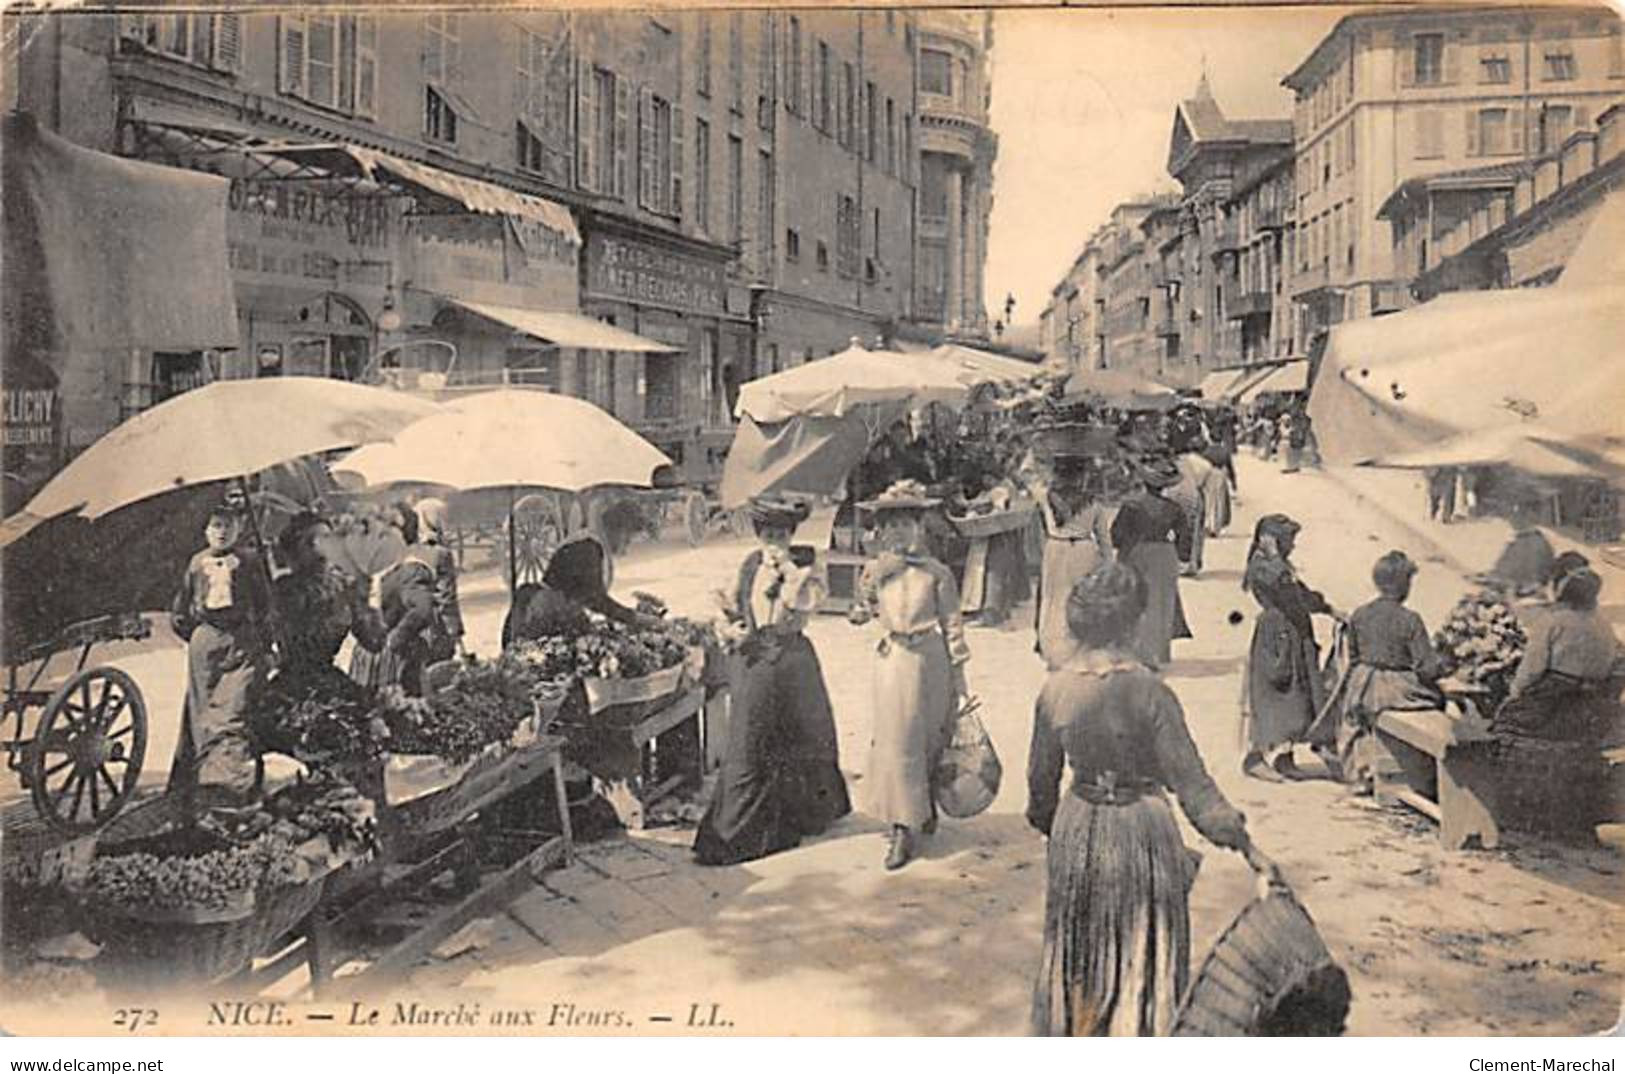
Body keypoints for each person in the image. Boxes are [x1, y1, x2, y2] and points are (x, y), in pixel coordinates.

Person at [1028, 562, 1280, 1037]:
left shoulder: (1054, 690)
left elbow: (1040, 791)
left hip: (1077, 823)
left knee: (1079, 948)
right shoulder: (1150, 692)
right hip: (1142, 828)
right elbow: (1194, 787)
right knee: (1143, 945)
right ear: (1132, 622)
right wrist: (1248, 848)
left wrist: (1064, 832)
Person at [694, 499, 852, 866]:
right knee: (749, 738)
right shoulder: (750, 564)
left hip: (793, 659)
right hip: (754, 658)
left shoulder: (807, 565)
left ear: (791, 535)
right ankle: (737, 830)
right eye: (768, 535)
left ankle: (811, 813)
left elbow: (801, 609)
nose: (774, 542)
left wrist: (790, 574)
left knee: (807, 734)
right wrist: (728, 624)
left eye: (781, 534)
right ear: (759, 535)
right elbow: (731, 604)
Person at [850, 481, 972, 870]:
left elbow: (952, 623)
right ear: (880, 531)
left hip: (930, 661)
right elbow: (861, 611)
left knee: (930, 735)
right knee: (897, 740)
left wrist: (960, 674)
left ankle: (925, 805)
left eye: (907, 523)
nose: (899, 532)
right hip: (893, 661)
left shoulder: (936, 573)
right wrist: (864, 602)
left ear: (921, 526)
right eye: (892, 525)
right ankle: (903, 827)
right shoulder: (876, 571)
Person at [168, 504, 272, 811]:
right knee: (201, 713)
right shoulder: (196, 563)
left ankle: (231, 787)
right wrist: (198, 636)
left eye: (228, 526)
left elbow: (264, 605)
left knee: (232, 711)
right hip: (205, 641)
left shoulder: (250, 561)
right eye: (216, 526)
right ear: (206, 531)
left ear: (239, 530)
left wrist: (266, 643)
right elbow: (181, 608)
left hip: (241, 640)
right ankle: (200, 785)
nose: (222, 532)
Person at [1334, 551, 1445, 793]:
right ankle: (1420, 775)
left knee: (1357, 718)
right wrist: (1444, 666)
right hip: (1396, 689)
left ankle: (1360, 773)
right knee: (1438, 701)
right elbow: (1426, 668)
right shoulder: (1410, 619)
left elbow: (1353, 656)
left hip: (1362, 684)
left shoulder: (1360, 614)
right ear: (1403, 584)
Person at [1241, 513, 1341, 782]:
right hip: (1276, 635)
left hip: (1294, 633)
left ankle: (1285, 758)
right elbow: (1281, 585)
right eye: (1288, 540)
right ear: (1270, 540)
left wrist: (1328, 609)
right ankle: (1255, 759)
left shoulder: (1280, 565)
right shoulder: (1264, 566)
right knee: (1275, 695)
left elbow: (1301, 595)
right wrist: (1273, 554)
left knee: (1299, 696)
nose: (1293, 546)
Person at [1034, 447, 1116, 671]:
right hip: (1084, 549)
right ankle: (1080, 649)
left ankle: (1053, 650)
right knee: (1081, 598)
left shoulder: (1045, 496)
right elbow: (1104, 537)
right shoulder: (1094, 503)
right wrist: (1108, 563)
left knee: (1053, 599)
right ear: (1082, 477)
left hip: (1055, 548)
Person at [1109, 454, 1194, 669]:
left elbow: (1116, 535)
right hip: (1164, 555)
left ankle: (1136, 653)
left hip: (1136, 552)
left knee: (1135, 602)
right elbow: (1185, 535)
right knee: (1161, 604)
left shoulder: (1131, 505)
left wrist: (1124, 547)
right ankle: (1157, 654)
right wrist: (1183, 556)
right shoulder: (1173, 508)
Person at [348, 502, 438, 697]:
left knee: (399, 708)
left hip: (395, 662)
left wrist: (394, 640)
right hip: (369, 659)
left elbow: (421, 609)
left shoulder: (410, 569)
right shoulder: (378, 571)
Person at [409, 498, 464, 661]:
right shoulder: (441, 554)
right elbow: (446, 598)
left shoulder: (404, 551)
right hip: (434, 628)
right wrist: (455, 631)